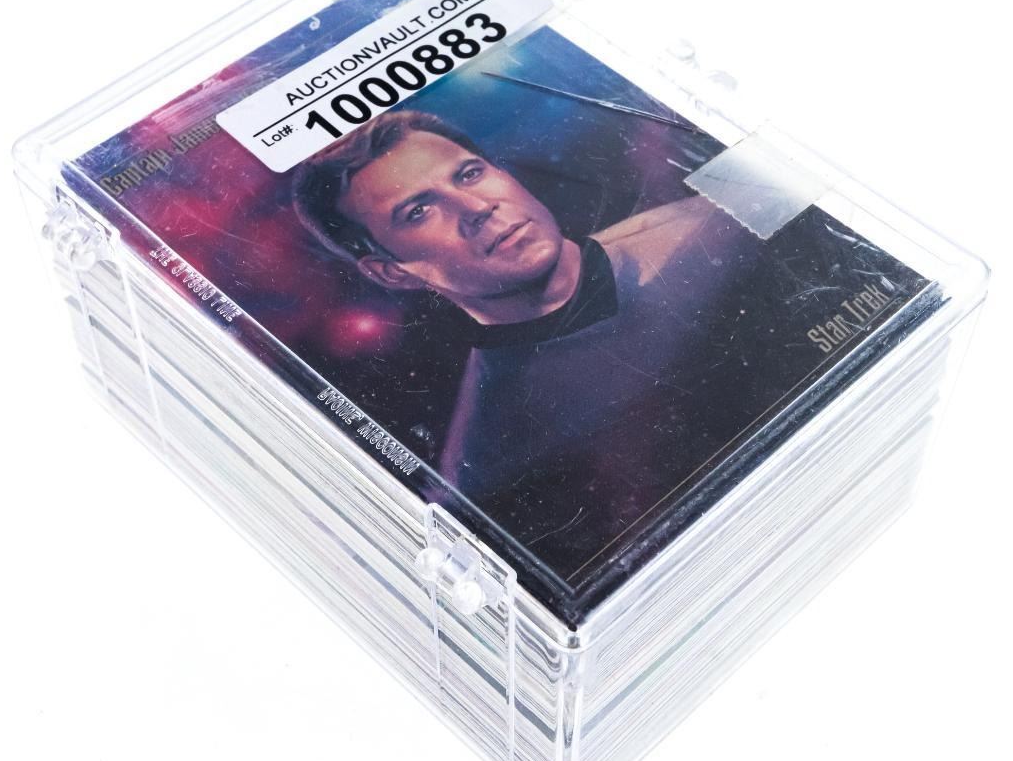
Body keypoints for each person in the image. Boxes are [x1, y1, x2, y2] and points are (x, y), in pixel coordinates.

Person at [293, 109, 923, 580]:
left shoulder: (718, 220)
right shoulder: (487, 462)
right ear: (390, 272)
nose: (475, 207)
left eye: (470, 173)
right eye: (418, 211)